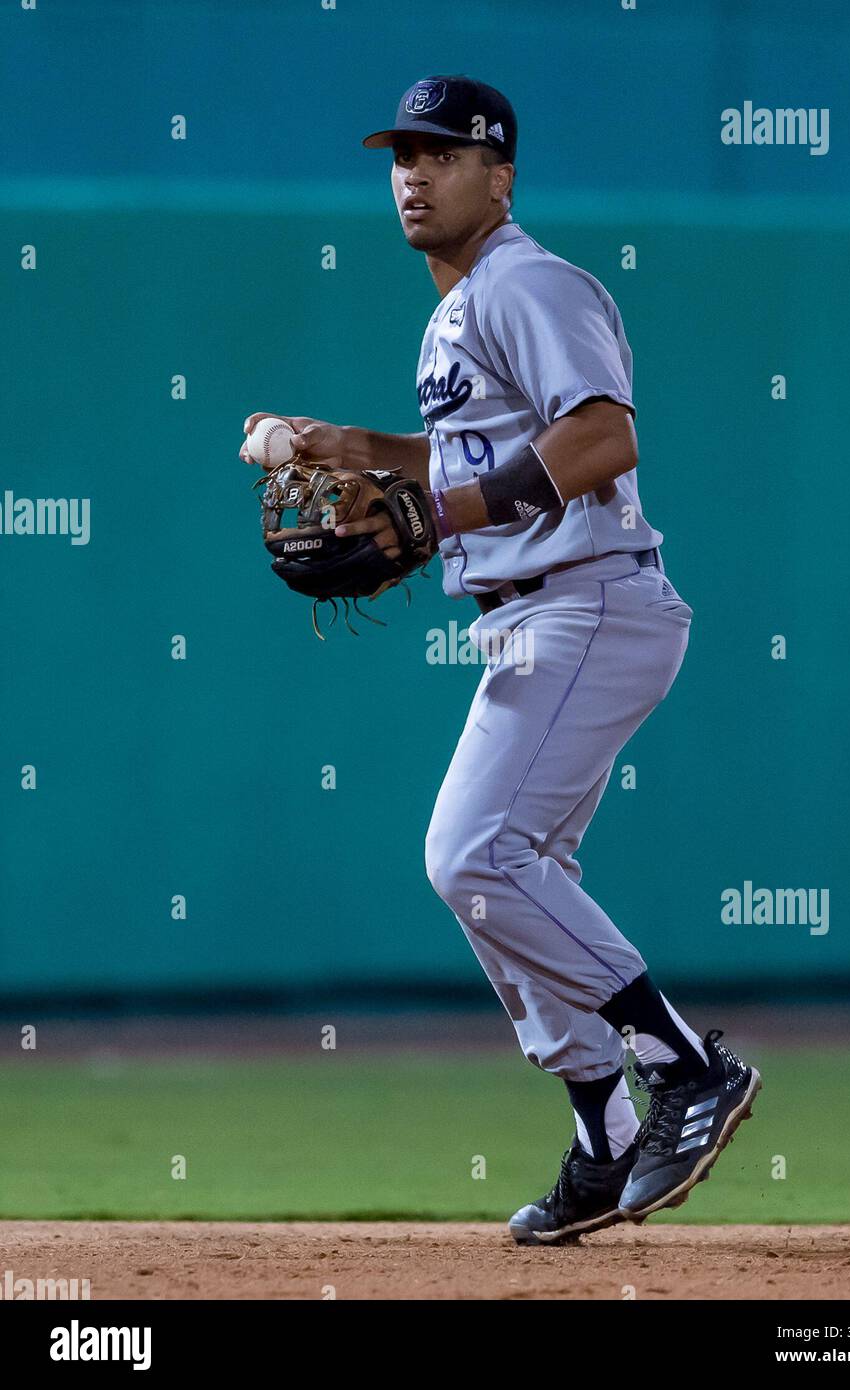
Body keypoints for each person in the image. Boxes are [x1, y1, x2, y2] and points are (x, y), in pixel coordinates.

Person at [241, 75, 760, 1246]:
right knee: (510, 886)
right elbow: (473, 448)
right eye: (400, 156)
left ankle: (684, 1066)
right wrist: (350, 447)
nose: (414, 175)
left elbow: (602, 429)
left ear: (501, 174)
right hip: (535, 619)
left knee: (472, 851)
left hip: (592, 603)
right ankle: (602, 1134)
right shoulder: (461, 308)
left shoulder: (527, 280)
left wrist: (447, 509)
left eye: (443, 153)